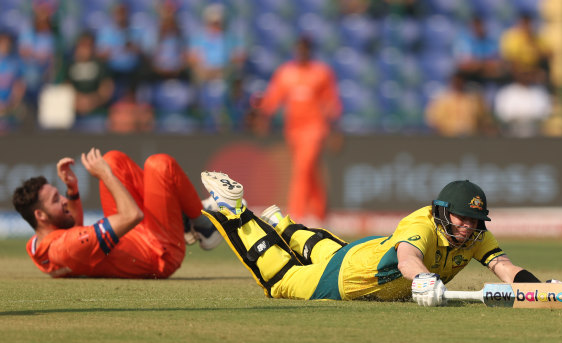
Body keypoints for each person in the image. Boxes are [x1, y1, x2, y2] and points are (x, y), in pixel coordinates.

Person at [200, 171, 547, 306]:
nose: (468, 227)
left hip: (360, 250)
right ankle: (235, 210)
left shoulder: (473, 236)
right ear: (442, 211)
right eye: (462, 218)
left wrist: (537, 289)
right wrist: (424, 279)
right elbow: (407, 258)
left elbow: (504, 266)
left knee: (321, 249)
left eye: (474, 221)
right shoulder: (422, 224)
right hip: (347, 279)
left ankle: (282, 223)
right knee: (280, 279)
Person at [12, 148, 221, 279]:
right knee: (160, 164)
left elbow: (72, 232)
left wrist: (73, 189)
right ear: (40, 215)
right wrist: (104, 175)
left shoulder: (38, 246)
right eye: (56, 200)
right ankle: (204, 226)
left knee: (113, 159)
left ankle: (179, 218)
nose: (65, 200)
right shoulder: (66, 247)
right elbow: (132, 216)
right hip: (160, 254)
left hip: (132, 236)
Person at [256, 36, 342, 222]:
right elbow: (274, 97)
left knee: (302, 169)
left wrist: (335, 129)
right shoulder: (285, 72)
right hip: (293, 130)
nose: (302, 53)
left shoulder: (321, 72)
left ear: (310, 51)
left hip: (315, 128)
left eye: (305, 49)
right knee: (310, 171)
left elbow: (330, 101)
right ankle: (321, 213)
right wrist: (264, 115)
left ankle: (297, 214)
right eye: (299, 49)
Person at [65, 32, 114, 132]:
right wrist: (78, 101)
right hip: (74, 113)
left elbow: (107, 89)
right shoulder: (69, 66)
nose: (85, 49)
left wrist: (91, 102)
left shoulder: (100, 66)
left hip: (96, 114)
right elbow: (65, 88)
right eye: (82, 45)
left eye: (88, 46)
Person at [424, 70, 496, 137]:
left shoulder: (474, 100)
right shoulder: (440, 101)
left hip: (471, 139)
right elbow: (434, 123)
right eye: (455, 81)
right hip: (447, 139)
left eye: (460, 81)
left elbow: (484, 120)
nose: (458, 83)